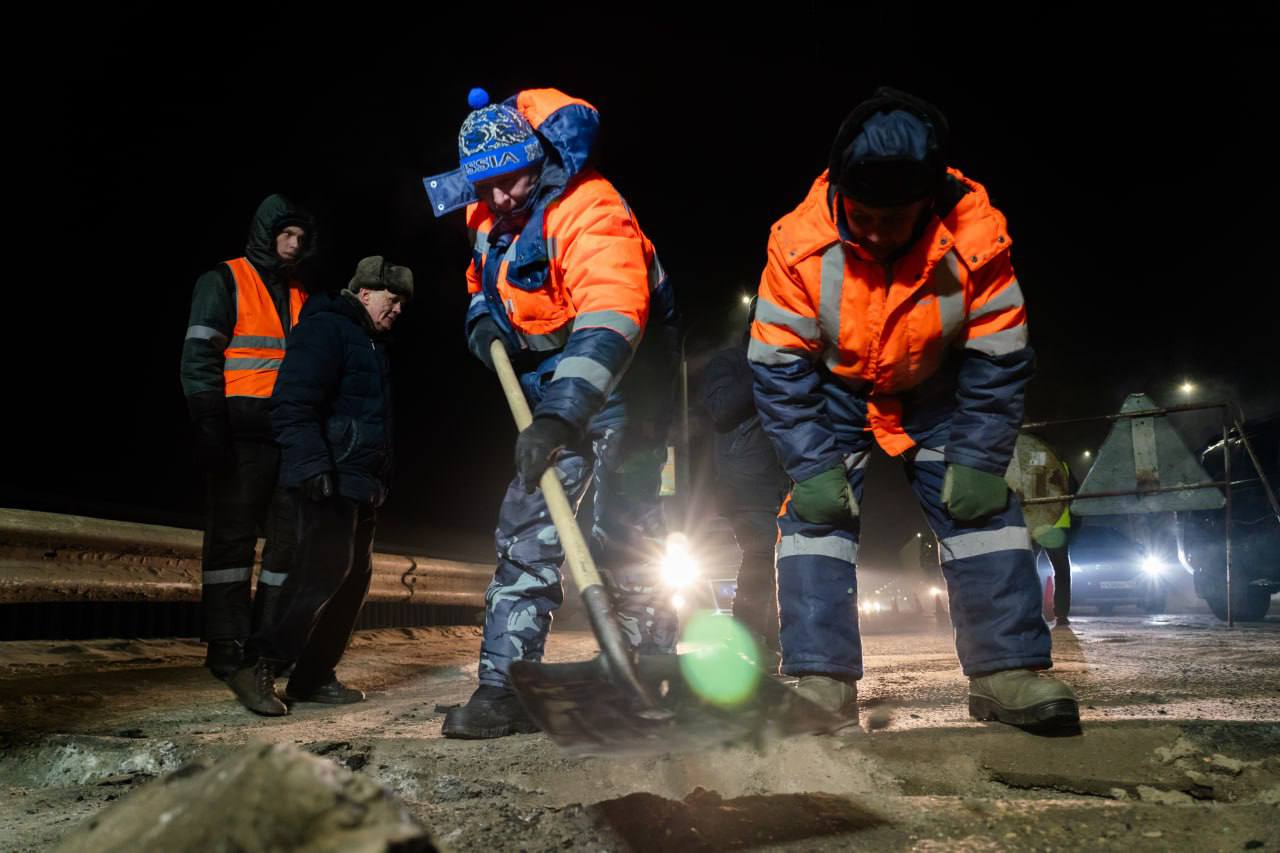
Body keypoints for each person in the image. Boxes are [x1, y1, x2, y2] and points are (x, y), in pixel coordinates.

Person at [748, 87, 1079, 730]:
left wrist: (981, 457)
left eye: (892, 220)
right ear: (840, 190)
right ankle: (821, 681)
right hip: (834, 391)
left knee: (983, 512)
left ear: (927, 204)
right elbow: (777, 366)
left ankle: (1006, 673)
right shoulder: (796, 245)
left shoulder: (978, 239)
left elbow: (1000, 357)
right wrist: (812, 467)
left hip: (937, 389)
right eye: (861, 214)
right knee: (815, 521)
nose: (873, 232)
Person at [424, 87, 679, 738]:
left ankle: (646, 666)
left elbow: (613, 314)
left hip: (627, 380)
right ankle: (505, 689)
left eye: (513, 178)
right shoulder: (484, 212)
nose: (503, 197)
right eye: (487, 185)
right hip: (548, 387)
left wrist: (564, 412)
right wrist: (480, 320)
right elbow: (484, 281)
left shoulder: (591, 208)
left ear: (536, 156)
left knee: (626, 528)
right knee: (528, 526)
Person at [225, 256, 412, 716]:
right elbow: (290, 403)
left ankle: (312, 677)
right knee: (323, 571)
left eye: (404, 304)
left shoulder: (371, 344)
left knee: (354, 582)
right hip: (326, 476)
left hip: (358, 481)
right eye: (393, 300)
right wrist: (312, 467)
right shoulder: (327, 329)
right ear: (365, 292)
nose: (398, 310)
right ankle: (259, 663)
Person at [180, 194, 314, 679]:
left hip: (287, 435)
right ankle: (224, 643)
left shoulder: (299, 291)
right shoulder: (224, 280)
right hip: (238, 434)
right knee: (231, 543)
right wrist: (208, 422)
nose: (294, 244)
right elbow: (199, 355)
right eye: (287, 234)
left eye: (301, 237)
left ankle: (265, 643)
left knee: (286, 546)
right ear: (266, 232)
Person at [701, 299, 789, 667]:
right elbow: (721, 409)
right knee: (759, 553)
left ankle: (769, 641)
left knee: (773, 558)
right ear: (753, 325)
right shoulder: (731, 362)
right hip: (743, 481)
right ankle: (748, 640)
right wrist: (761, 367)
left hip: (777, 479)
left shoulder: (784, 365)